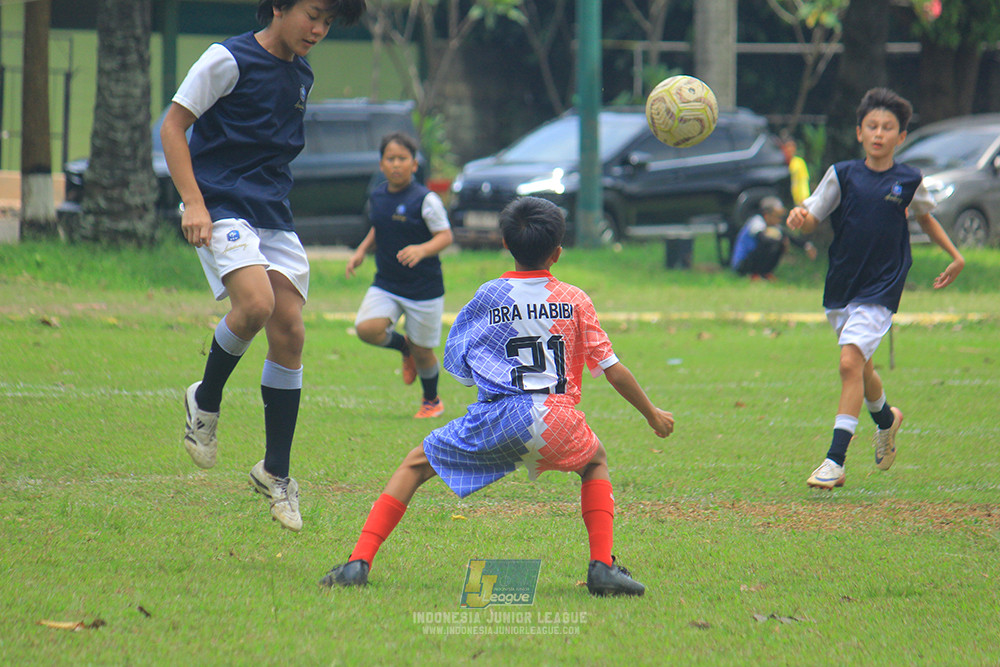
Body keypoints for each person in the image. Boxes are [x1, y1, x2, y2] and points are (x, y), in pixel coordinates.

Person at [320, 196, 675, 596]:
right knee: (594, 463)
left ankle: (358, 562)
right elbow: (612, 369)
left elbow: (458, 358)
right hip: (559, 419)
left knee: (415, 466)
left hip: (502, 417)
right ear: (557, 252)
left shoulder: (490, 295)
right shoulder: (575, 299)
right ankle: (602, 566)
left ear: (505, 243)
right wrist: (652, 414)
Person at [161, 0, 367, 532]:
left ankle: (275, 472)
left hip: (273, 215)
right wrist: (194, 202)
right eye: (313, 15)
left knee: (291, 333)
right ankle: (204, 402)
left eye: (329, 23)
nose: (319, 30)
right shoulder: (226, 59)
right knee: (255, 304)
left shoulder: (302, 74)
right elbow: (172, 128)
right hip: (223, 206)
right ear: (278, 6)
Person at [786, 88, 965, 490]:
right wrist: (801, 217)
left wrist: (955, 255)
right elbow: (814, 214)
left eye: (888, 128)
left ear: (901, 136)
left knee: (849, 363)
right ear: (859, 132)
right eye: (872, 126)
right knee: (862, 367)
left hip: (882, 285)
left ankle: (835, 460)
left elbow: (925, 218)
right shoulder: (843, 174)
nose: (879, 133)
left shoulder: (908, 179)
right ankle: (886, 419)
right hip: (842, 285)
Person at [345, 132, 453, 419]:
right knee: (366, 329)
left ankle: (432, 400)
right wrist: (362, 250)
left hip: (424, 288)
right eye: (390, 159)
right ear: (381, 164)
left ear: (414, 164)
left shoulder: (425, 199)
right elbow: (379, 228)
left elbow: (445, 236)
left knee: (424, 352)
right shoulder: (378, 195)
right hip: (388, 283)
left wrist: (422, 250)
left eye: (402, 159)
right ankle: (402, 346)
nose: (396, 164)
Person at [730, 195, 817, 279]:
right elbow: (763, 240)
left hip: (754, 259)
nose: (779, 220)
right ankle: (754, 274)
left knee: (778, 243)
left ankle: (765, 273)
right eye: (777, 217)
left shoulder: (774, 226)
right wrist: (781, 241)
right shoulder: (756, 222)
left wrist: (806, 245)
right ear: (767, 215)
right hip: (742, 264)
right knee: (770, 244)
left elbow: (790, 237)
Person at [781, 135, 811, 205]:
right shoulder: (781, 163)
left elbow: (803, 182)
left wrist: (804, 199)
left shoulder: (799, 162)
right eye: (788, 146)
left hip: (797, 200)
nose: (790, 149)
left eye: (792, 146)